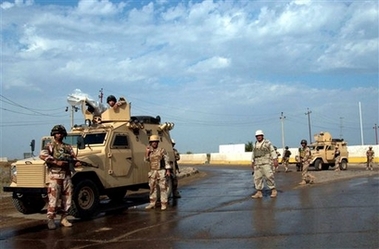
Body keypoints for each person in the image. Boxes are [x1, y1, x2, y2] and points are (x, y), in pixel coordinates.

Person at [39, 125, 80, 230]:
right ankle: (51, 219)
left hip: (66, 176)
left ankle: (64, 218)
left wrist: (76, 163)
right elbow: (43, 155)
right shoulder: (50, 146)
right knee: (53, 198)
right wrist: (56, 162)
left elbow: (73, 158)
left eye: (61, 133)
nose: (59, 135)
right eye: (57, 133)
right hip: (55, 176)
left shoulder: (68, 147)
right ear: (53, 134)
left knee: (67, 198)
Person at [144, 135, 171, 210]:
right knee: (152, 188)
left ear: (158, 142)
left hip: (161, 171)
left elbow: (167, 160)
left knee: (163, 187)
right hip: (153, 171)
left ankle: (164, 203)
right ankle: (152, 203)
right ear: (150, 143)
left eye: (155, 142)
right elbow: (146, 160)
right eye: (152, 142)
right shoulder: (150, 151)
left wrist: (168, 170)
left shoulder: (162, 150)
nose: (154, 143)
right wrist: (147, 152)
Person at [251, 130, 278, 198]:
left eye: (260, 136)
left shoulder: (267, 143)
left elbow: (272, 151)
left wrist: (275, 159)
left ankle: (273, 190)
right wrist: (252, 161)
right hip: (257, 163)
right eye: (257, 136)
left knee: (269, 176)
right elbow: (253, 153)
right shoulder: (255, 144)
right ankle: (259, 192)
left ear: (262, 136)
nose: (258, 137)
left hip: (266, 163)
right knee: (257, 178)